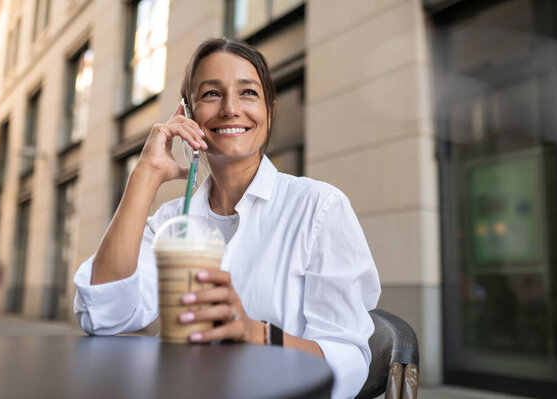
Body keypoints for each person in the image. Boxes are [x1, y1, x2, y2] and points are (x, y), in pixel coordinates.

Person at [73, 38, 381, 399]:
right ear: (187, 115)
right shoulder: (173, 221)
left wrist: (256, 334)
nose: (231, 108)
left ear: (269, 109)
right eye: (211, 94)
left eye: (248, 92)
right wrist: (146, 174)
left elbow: (350, 360)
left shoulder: (319, 206)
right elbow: (103, 315)